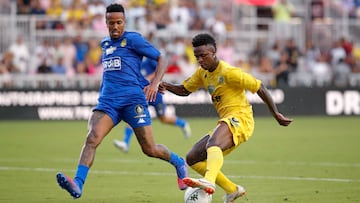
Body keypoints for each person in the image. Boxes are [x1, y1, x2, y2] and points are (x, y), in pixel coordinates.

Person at [55, 4, 188, 199]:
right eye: (111, 23)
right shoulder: (105, 44)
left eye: (119, 22)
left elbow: (162, 58)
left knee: (149, 149)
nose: (115, 26)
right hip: (108, 102)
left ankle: (178, 162)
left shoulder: (133, 39)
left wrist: (154, 83)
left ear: (124, 22)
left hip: (133, 100)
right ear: (106, 23)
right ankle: (78, 184)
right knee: (92, 138)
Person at [158, 33, 293, 203]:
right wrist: (166, 85)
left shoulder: (229, 72)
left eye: (203, 55)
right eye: (197, 56)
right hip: (227, 121)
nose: (200, 60)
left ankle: (208, 181)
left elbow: (259, 87)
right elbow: (185, 90)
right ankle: (232, 190)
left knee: (213, 144)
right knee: (192, 158)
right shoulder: (202, 73)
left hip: (241, 119)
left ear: (214, 52)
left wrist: (275, 113)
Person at [113, 57, 191, 153]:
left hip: (155, 94)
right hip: (141, 94)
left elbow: (161, 68)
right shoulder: (134, 61)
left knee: (163, 118)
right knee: (134, 115)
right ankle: (125, 143)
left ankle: (183, 124)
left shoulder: (150, 59)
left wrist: (148, 78)